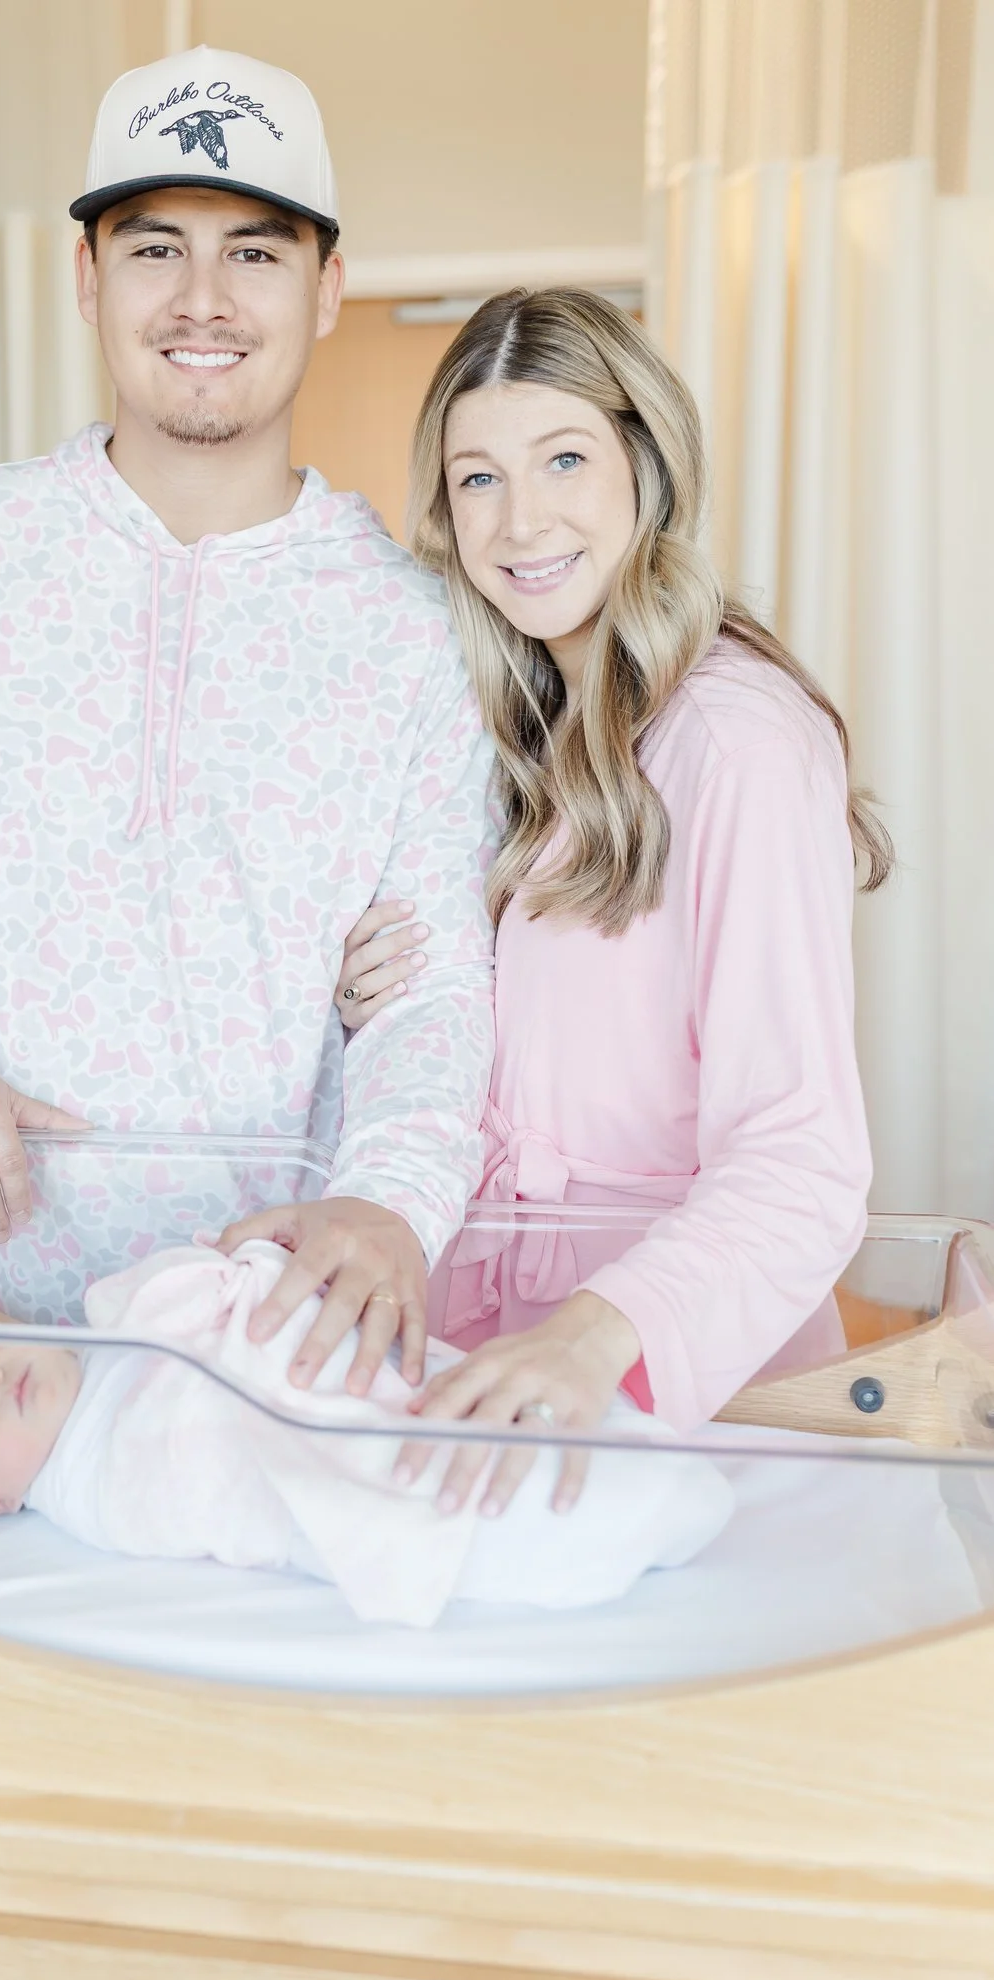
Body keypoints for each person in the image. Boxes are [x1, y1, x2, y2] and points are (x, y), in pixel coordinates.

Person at [0, 46, 496, 1394]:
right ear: (87, 277)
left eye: (255, 254)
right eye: (155, 249)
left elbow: (434, 977)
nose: (203, 301)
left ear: (328, 288)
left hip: (281, 1329)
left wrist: (395, 1197)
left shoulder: (418, 628)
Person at [334, 287, 891, 1516]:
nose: (519, 518)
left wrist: (597, 1338)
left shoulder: (734, 740)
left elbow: (801, 1157)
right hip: (487, 1358)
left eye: (564, 459)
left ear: (647, 459)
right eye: (476, 479)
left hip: (668, 1383)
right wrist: (375, 998)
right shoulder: (514, 729)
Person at [0, 1237, 734, 1629]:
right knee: (456, 1493)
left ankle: (638, 1475)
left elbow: (233, 1297)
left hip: (370, 1384)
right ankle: (602, 1513)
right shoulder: (92, 1488)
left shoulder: (111, 1330)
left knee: (469, 1397)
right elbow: (201, 1470)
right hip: (308, 1468)